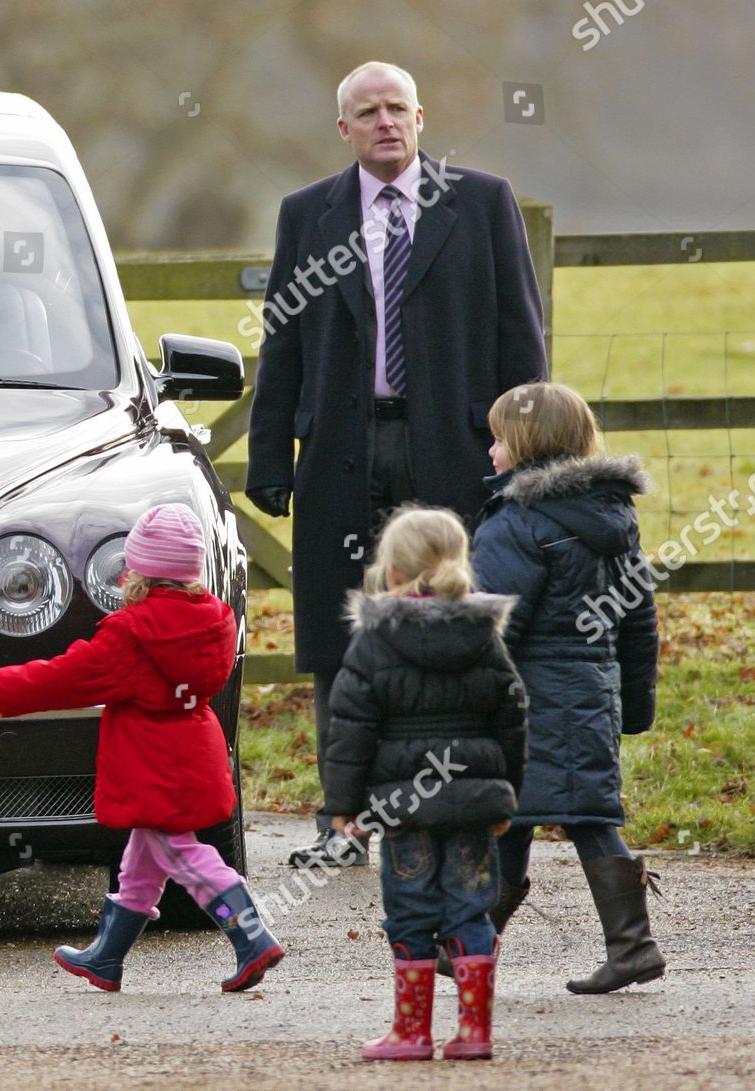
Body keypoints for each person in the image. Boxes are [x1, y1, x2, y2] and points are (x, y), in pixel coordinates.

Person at [243, 60, 548, 869]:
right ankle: (342, 823)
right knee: (341, 633)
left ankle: (472, 807)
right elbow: (283, 342)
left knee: (462, 622)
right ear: (343, 128)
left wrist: (526, 450)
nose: (385, 122)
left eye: (397, 109)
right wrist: (270, 454)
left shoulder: (481, 203)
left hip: (455, 447)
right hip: (344, 451)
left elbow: (521, 336)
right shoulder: (309, 213)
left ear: (421, 116)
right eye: (367, 112)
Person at [0, 504, 284, 993]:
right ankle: (106, 957)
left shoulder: (133, 635)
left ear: (138, 572)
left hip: (153, 767)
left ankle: (251, 937)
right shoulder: (214, 624)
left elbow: (70, 676)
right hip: (193, 754)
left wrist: (3, 687)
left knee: (186, 857)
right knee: (140, 866)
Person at [469, 381, 663, 994]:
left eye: (498, 437)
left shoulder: (516, 521)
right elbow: (637, 619)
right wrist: (634, 704)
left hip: (528, 699)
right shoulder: (613, 516)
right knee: (551, 814)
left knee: (541, 816)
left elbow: (495, 622)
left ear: (525, 444)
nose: (490, 450)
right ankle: (471, 947)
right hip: (590, 690)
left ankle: (633, 948)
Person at [323, 505, 526, 1061]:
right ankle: (475, 1032)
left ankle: (412, 1034)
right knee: (470, 909)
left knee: (410, 910)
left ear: (391, 573)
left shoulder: (375, 642)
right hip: (473, 804)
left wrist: (342, 807)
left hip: (403, 807)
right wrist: (508, 788)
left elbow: (350, 729)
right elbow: (512, 715)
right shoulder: (485, 637)